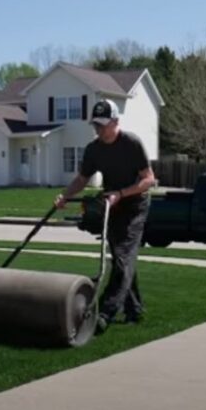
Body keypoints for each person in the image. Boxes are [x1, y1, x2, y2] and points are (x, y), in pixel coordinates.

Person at [54, 99, 156, 332]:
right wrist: (65, 196)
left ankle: (105, 314)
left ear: (115, 121)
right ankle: (135, 309)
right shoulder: (94, 149)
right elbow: (81, 179)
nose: (98, 129)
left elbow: (149, 179)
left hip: (135, 205)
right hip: (111, 205)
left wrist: (122, 193)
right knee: (123, 259)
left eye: (102, 124)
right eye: (95, 125)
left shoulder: (131, 143)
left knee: (122, 257)